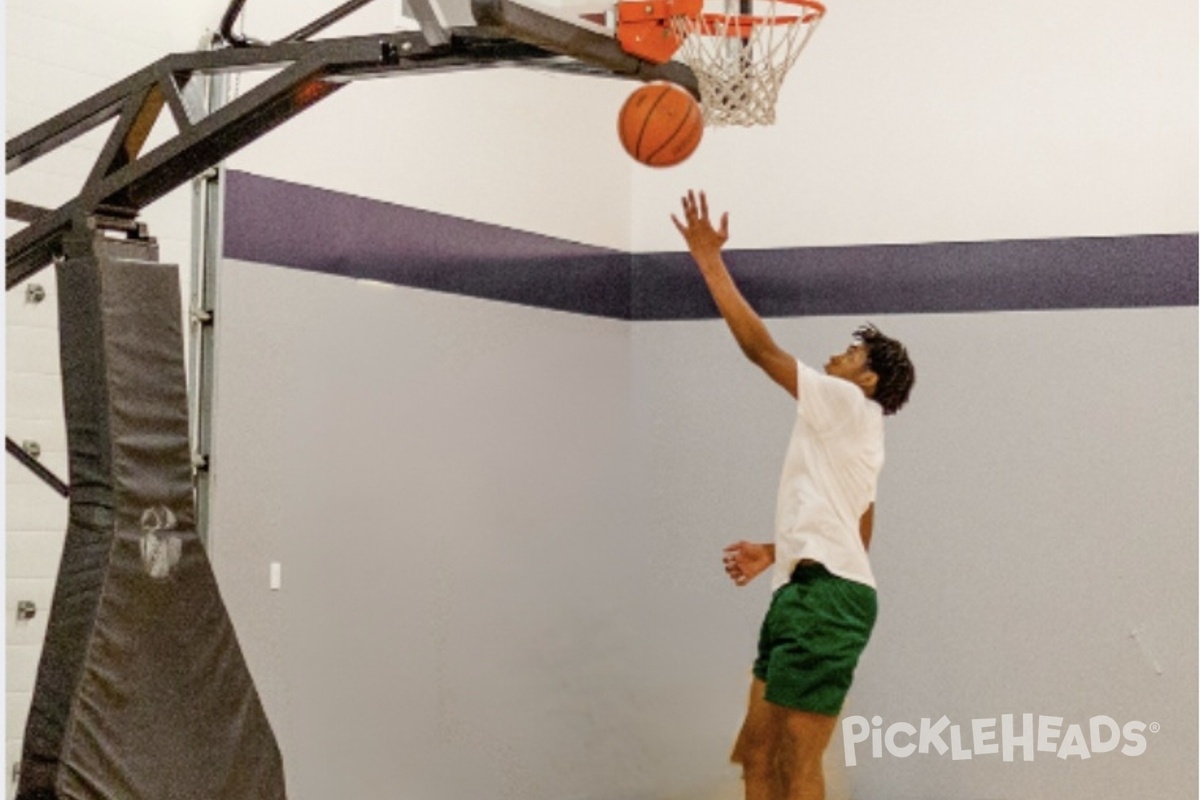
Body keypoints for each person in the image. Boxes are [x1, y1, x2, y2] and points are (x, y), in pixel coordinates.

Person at [671, 190, 915, 800]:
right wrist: (780, 550)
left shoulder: (847, 402)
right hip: (808, 592)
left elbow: (759, 349)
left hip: (826, 602)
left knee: (795, 762)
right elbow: (858, 531)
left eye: (852, 352)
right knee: (756, 754)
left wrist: (707, 260)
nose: (837, 354)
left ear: (869, 378)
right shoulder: (855, 432)